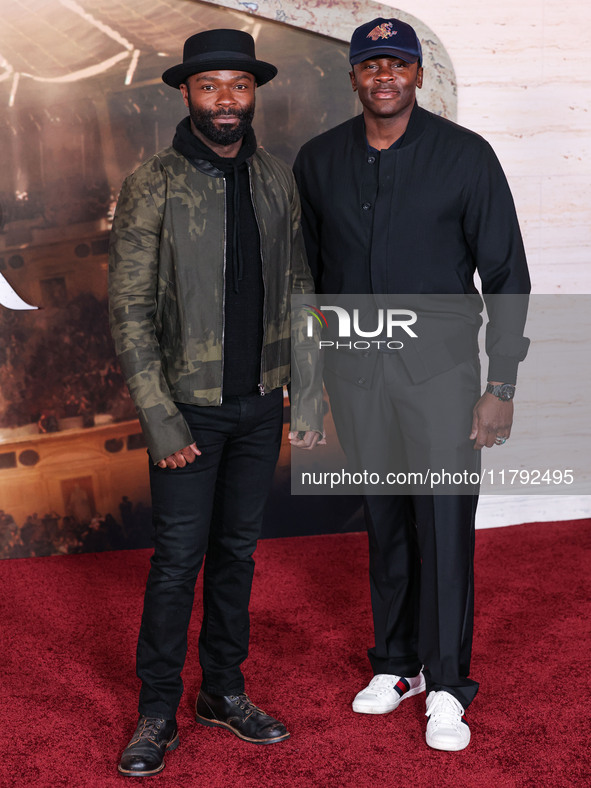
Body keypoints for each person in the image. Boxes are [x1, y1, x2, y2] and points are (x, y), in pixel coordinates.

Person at [293, 17, 530, 752]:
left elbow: (507, 279)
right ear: (354, 77)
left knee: (444, 527)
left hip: (444, 379)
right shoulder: (318, 160)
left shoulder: (465, 157)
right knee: (385, 520)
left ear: (418, 76)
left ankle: (449, 685)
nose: (384, 77)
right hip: (355, 373)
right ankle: (397, 666)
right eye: (371, 66)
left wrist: (501, 385)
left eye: (398, 64)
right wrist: (309, 387)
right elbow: (307, 282)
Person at [109, 29, 322, 777]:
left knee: (237, 556)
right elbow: (129, 309)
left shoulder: (274, 176)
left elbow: (300, 289)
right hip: (186, 413)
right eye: (209, 86)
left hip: (260, 405)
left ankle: (223, 694)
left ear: (251, 92)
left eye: (237, 84)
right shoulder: (152, 183)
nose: (225, 99)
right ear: (186, 94)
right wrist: (161, 417)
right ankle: (158, 711)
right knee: (176, 563)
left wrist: (307, 393)